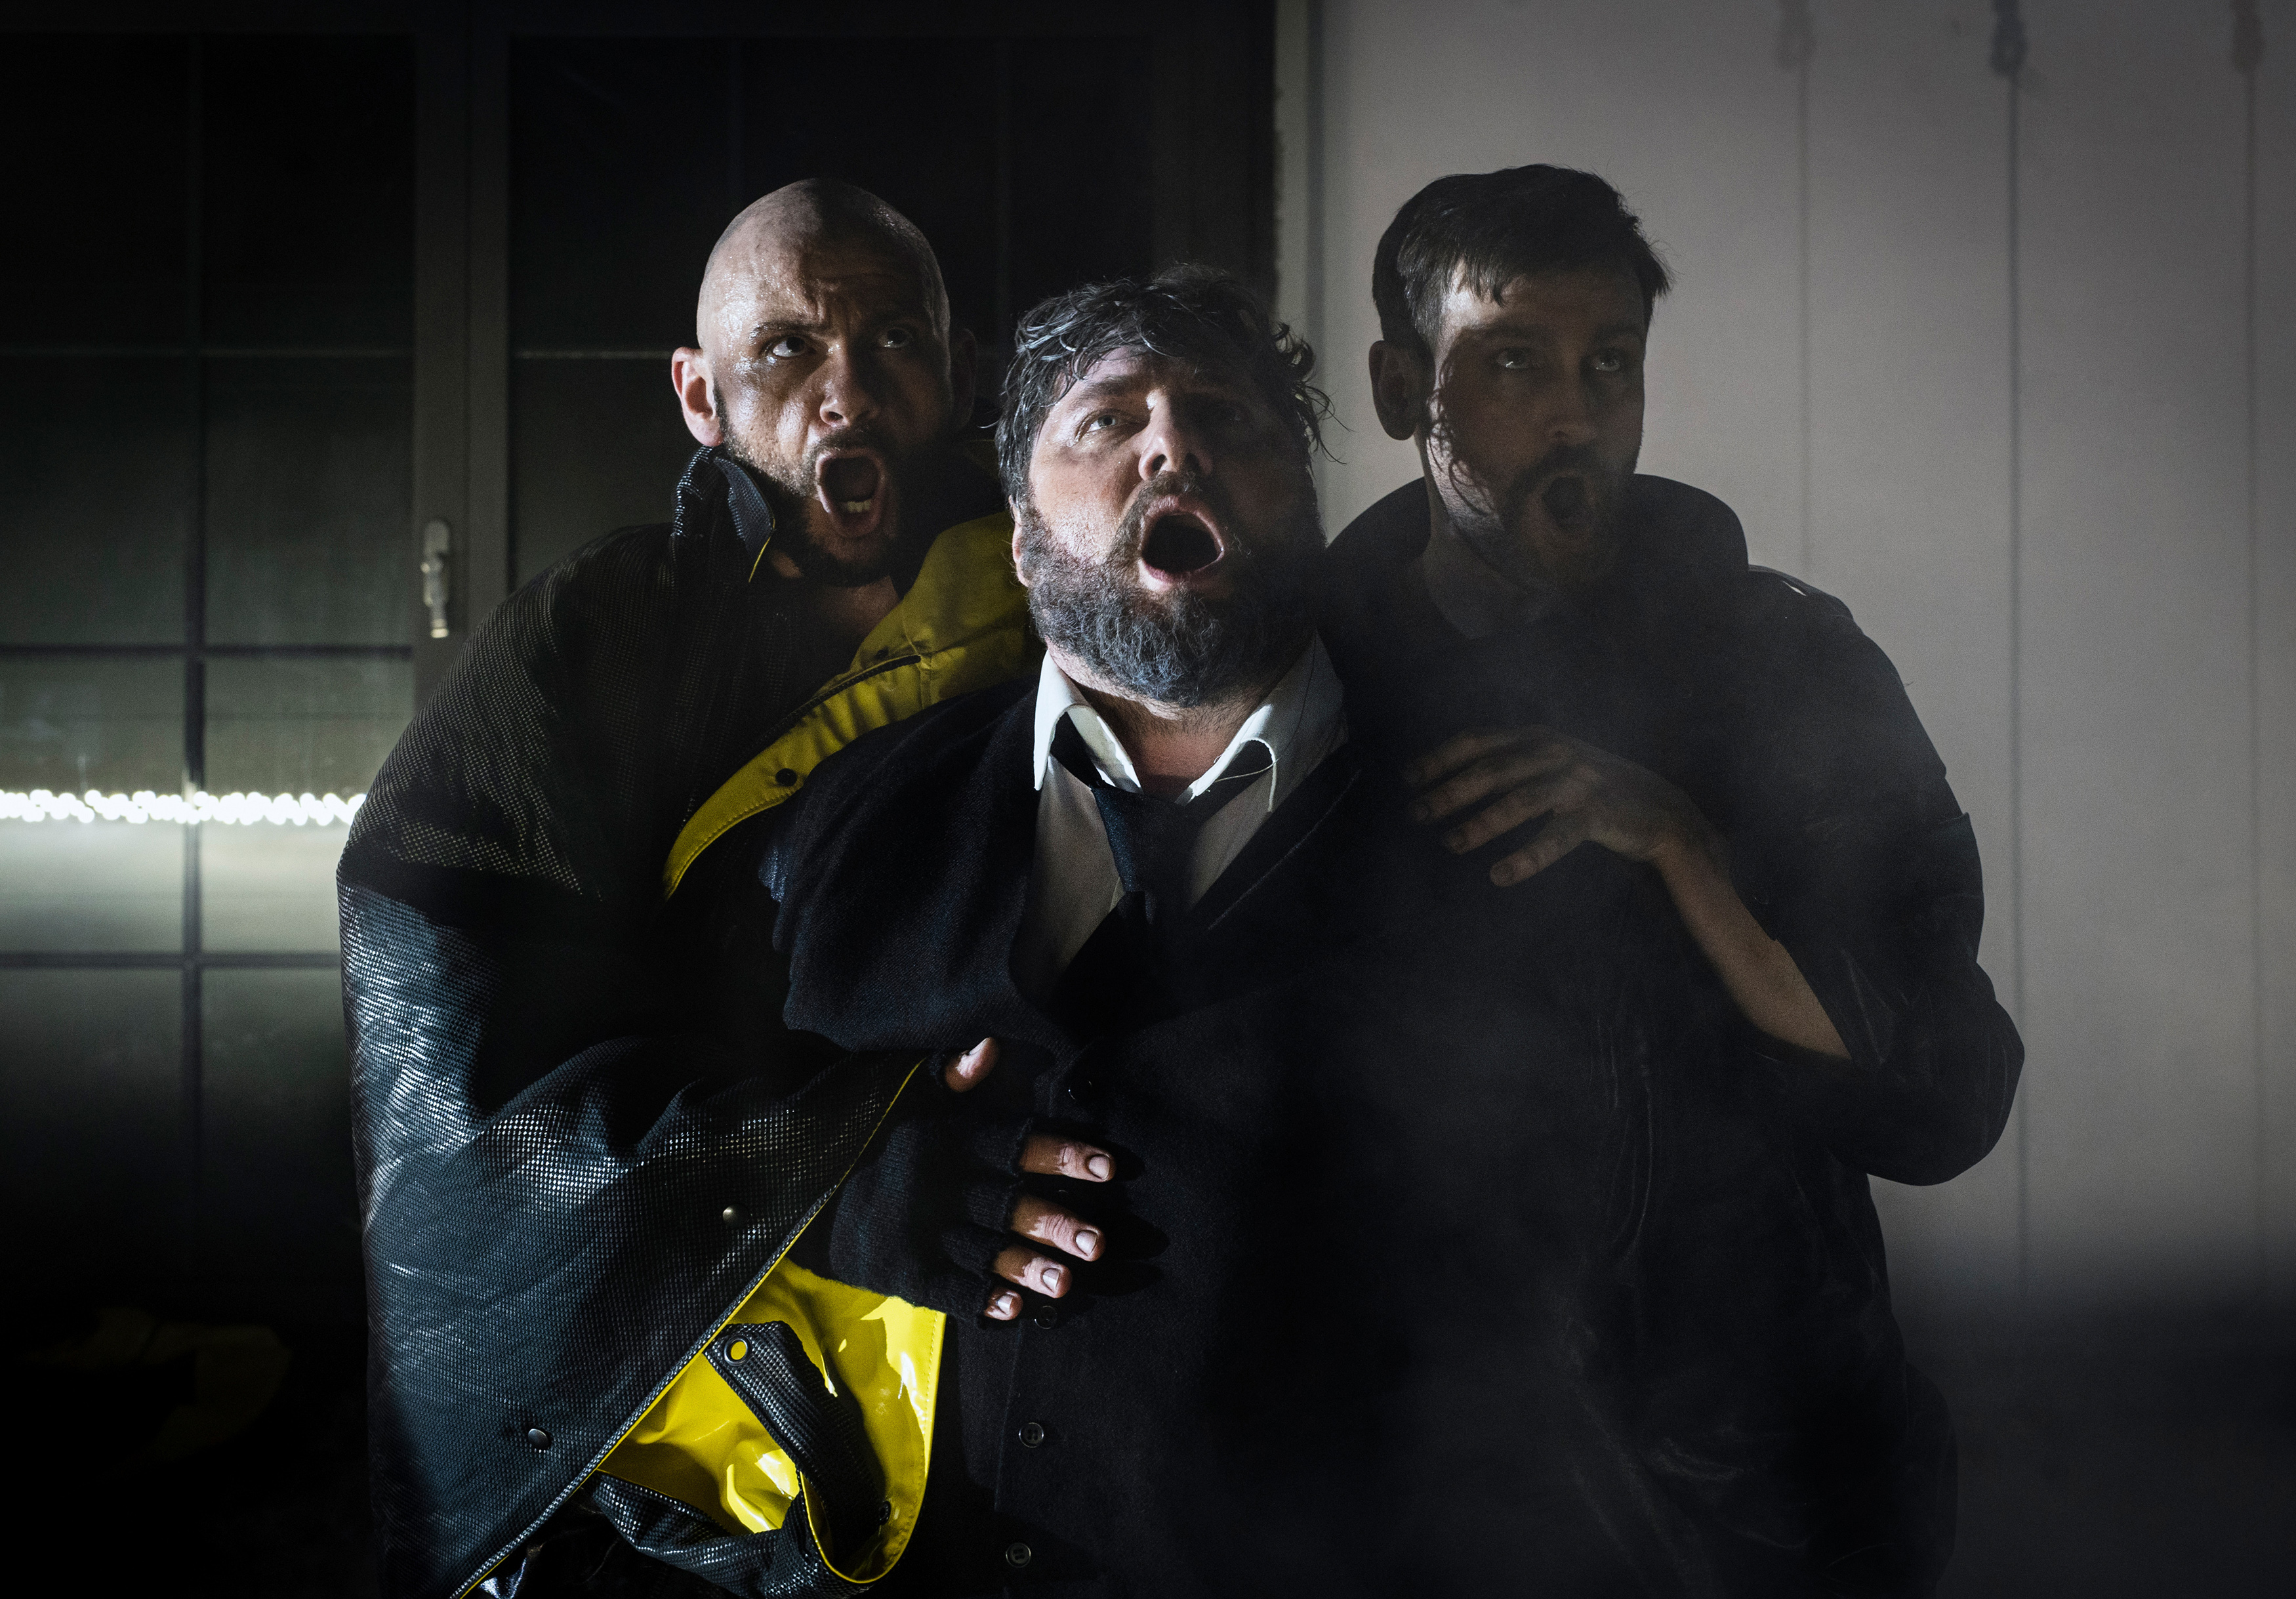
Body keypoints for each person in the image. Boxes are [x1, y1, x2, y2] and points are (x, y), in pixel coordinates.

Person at [758, 268, 1811, 1597]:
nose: (1173, 445)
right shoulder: (857, 822)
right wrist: (839, 1198)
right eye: (1106, 421)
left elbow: (1713, 1290)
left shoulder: (1531, 827)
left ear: (1303, 507)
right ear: (1022, 535)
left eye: (1224, 415)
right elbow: (674, 1156)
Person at [1319, 163, 2026, 1592]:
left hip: (1764, 1495)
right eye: (1512, 362)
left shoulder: (1788, 666)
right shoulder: (1313, 693)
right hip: (1418, 1487)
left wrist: (1683, 848)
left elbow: (1944, 1088)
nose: (1575, 416)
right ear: (1402, 390)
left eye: (1611, 363)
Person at [338, 179, 1036, 1599]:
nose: (848, 392)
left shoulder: (1059, 598)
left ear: (963, 372)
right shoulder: (595, 631)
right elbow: (451, 1020)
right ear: (699, 396)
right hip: (689, 1380)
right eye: (786, 349)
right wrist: (827, 1177)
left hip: (1007, 1321)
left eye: (895, 340)